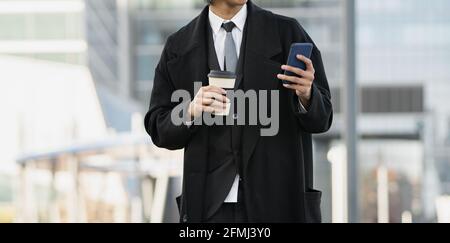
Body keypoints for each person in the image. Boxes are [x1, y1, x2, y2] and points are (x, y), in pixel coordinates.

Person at [144, 0, 333, 223]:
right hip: (208, 207)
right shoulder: (178, 47)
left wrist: (307, 95)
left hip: (276, 201)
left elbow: (323, 118)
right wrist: (190, 110)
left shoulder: (288, 33)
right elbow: (158, 126)